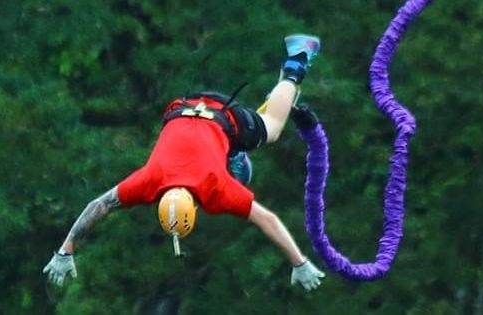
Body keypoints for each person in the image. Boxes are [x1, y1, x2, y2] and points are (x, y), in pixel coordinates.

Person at [42, 34, 327, 291]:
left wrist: (299, 263)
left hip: (226, 118)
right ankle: (232, 155)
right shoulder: (150, 178)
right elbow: (98, 206)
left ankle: (297, 58)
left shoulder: (216, 188)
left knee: (273, 127)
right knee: (227, 159)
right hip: (183, 107)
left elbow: (267, 220)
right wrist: (63, 252)